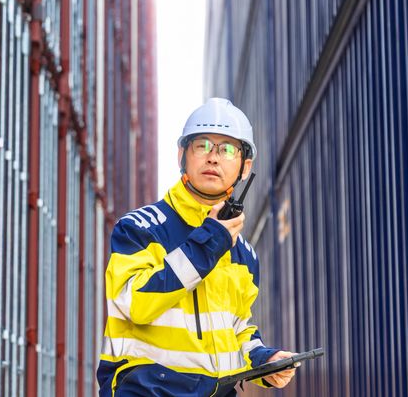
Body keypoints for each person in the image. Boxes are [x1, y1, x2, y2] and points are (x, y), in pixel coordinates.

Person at [97, 98, 297, 396]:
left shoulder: (244, 254)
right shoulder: (139, 228)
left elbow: (236, 328)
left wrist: (263, 360)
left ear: (245, 167)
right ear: (182, 155)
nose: (213, 157)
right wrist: (209, 243)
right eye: (202, 145)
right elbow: (133, 304)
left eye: (228, 149)